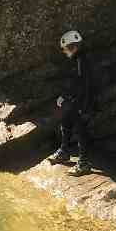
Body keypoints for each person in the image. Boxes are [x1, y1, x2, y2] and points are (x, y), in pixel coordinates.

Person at [50, 29, 98, 176]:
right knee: (65, 122)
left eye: (65, 49)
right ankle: (64, 151)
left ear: (73, 47)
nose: (64, 52)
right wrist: (65, 96)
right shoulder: (77, 60)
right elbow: (75, 83)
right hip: (75, 100)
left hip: (83, 102)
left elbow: (87, 86)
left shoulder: (84, 61)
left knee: (81, 130)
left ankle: (84, 163)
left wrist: (85, 108)